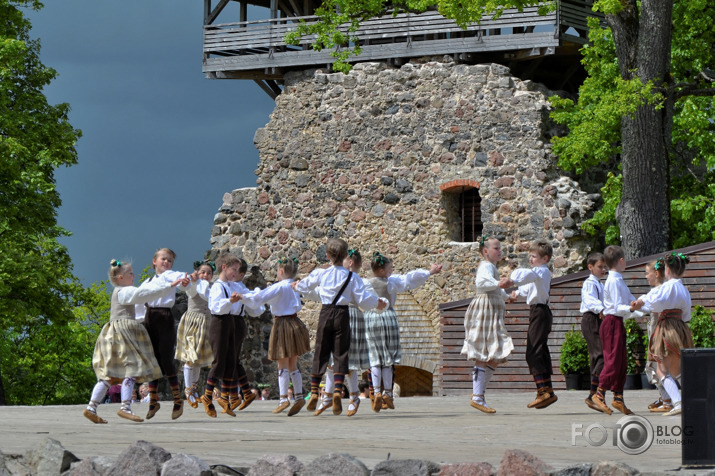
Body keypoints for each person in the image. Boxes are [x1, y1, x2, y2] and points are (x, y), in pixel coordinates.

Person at [83, 259, 186, 424]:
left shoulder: (119, 291)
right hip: (124, 334)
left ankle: (91, 407)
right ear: (120, 277)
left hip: (113, 334)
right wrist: (169, 286)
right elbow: (143, 295)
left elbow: (140, 304)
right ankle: (125, 407)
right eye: (130, 273)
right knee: (132, 368)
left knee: (110, 375)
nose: (134, 275)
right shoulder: (125, 291)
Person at [294, 238, 387, 416]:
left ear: (327, 256)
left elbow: (306, 285)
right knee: (340, 352)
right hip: (343, 314)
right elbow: (362, 299)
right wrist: (378, 304)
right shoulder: (352, 277)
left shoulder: (321, 273)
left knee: (321, 351)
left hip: (326, 313)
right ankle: (337, 390)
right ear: (345, 255)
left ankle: (314, 391)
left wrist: (297, 286)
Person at [364, 252, 442, 412]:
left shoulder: (365, 283)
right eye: (390, 268)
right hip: (388, 317)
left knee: (374, 357)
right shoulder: (391, 282)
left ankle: (377, 392)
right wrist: (429, 272)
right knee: (387, 359)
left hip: (371, 318)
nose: (392, 271)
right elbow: (409, 279)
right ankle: (387, 393)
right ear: (381, 271)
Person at [238, 257, 310, 416]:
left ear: (281, 271)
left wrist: (244, 296)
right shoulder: (294, 286)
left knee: (282, 362)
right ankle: (298, 396)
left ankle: (284, 398)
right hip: (295, 323)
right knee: (293, 363)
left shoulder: (279, 287)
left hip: (282, 325)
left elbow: (259, 298)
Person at [631, 252, 693, 416]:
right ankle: (689, 399)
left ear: (667, 270)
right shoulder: (683, 290)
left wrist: (640, 302)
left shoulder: (667, 287)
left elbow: (654, 302)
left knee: (662, 370)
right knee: (675, 369)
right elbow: (687, 314)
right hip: (680, 327)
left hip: (668, 328)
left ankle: (678, 402)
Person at [202, 254, 261, 418]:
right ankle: (207, 396)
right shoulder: (217, 287)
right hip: (220, 323)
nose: (236, 272)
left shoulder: (232, 286)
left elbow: (250, 303)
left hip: (230, 323)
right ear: (224, 268)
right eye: (233, 269)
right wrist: (230, 301)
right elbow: (216, 307)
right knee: (219, 360)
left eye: (237, 270)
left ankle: (225, 398)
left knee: (230, 361)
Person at [500, 240, 557, 409]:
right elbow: (527, 288)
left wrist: (510, 280)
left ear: (545, 258)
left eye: (534, 256)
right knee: (540, 350)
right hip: (538, 311)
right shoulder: (537, 275)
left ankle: (543, 390)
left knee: (533, 351)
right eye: (530, 256)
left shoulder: (541, 272)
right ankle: (547, 390)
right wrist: (514, 293)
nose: (531, 259)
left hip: (540, 312)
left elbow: (526, 276)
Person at [460, 237, 514, 413]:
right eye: (496, 248)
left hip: (492, 312)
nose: (500, 251)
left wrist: (507, 296)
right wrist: (498, 283)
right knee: (483, 352)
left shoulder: (492, 268)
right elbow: (481, 283)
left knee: (495, 355)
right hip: (485, 311)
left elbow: (494, 288)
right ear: (485, 251)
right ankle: (477, 396)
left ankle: (478, 392)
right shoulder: (485, 266)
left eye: (500, 248)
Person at [314, 249, 371, 417]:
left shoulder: (357, 279)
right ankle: (328, 396)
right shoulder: (337, 276)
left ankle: (354, 397)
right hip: (338, 316)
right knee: (333, 360)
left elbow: (365, 297)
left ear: (350, 263)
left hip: (351, 315)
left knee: (348, 360)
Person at [141, 248, 194, 420]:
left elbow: (179, 278)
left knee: (166, 358)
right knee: (152, 359)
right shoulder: (147, 282)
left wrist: (185, 280)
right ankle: (153, 400)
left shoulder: (171, 275)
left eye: (169, 260)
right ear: (154, 261)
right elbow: (137, 300)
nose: (166, 262)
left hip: (164, 316)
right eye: (163, 259)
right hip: (149, 317)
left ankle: (177, 399)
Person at [590, 245, 639, 415]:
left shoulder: (618, 279)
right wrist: (633, 309)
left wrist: (641, 307)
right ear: (621, 261)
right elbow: (618, 307)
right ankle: (599, 393)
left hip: (616, 322)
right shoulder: (613, 280)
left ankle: (618, 397)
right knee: (612, 360)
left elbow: (630, 300)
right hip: (612, 322)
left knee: (621, 361)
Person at [175, 260, 215, 409]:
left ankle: (194, 387)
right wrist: (191, 281)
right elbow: (191, 292)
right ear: (197, 273)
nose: (205, 275)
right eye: (203, 272)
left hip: (206, 323)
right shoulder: (194, 285)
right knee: (191, 356)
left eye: (208, 273)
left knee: (199, 358)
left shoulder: (212, 288)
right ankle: (187, 389)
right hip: (193, 322)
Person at [640, 259, 672, 413]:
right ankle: (664, 397)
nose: (646, 277)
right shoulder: (665, 290)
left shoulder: (657, 292)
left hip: (657, 333)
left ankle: (667, 400)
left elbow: (645, 306)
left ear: (657, 273)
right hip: (661, 331)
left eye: (648, 273)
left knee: (654, 366)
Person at [579, 252, 608, 412]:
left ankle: (593, 395)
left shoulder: (599, 284)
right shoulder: (589, 283)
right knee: (601, 355)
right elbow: (590, 300)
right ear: (590, 267)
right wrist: (602, 308)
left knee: (597, 356)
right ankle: (594, 395)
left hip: (598, 318)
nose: (603, 269)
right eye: (600, 267)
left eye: (605, 267)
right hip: (591, 319)